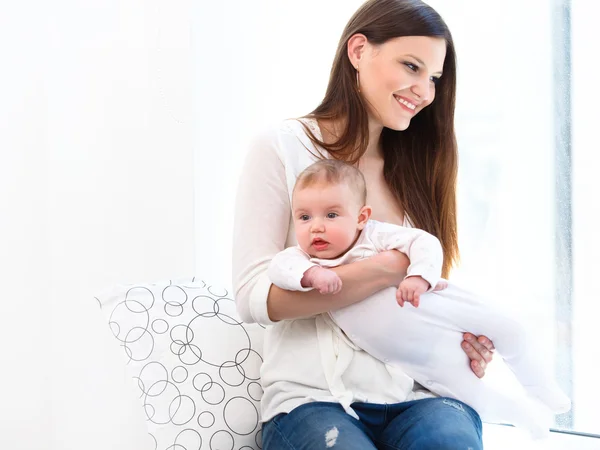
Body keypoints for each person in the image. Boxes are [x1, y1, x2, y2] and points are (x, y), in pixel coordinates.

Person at [233, 0, 501, 448]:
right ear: (358, 51)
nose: (424, 90)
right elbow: (254, 297)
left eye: (433, 78)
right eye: (411, 67)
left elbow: (418, 298)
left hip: (418, 393)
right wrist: (384, 268)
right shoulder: (282, 147)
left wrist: (463, 341)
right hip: (310, 400)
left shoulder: (419, 169)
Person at [268, 159, 570, 437]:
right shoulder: (304, 260)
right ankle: (521, 415)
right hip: (413, 356)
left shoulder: (375, 236)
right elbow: (280, 270)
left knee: (506, 327)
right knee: (467, 391)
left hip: (435, 306)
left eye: (331, 215)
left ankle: (539, 384)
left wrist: (419, 276)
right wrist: (311, 277)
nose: (316, 226)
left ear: (361, 218)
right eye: (304, 217)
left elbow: (423, 242)